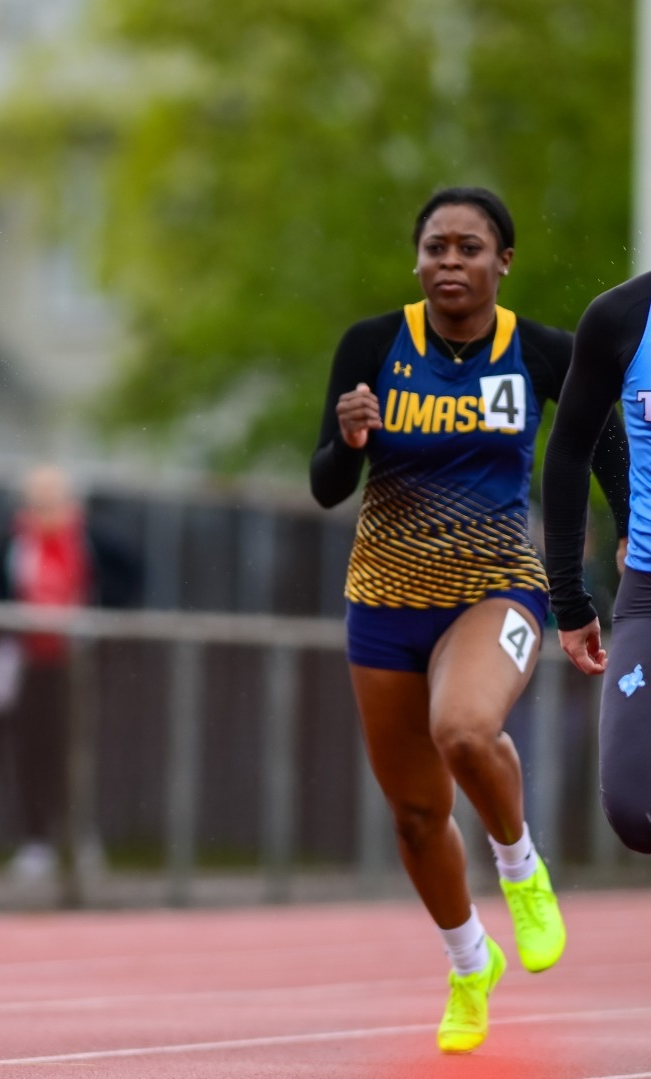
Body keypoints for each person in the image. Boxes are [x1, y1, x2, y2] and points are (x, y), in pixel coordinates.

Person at [311, 188, 625, 1055]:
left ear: (502, 262)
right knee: (415, 814)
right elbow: (328, 483)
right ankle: (467, 962)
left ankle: (521, 867)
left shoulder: (540, 351)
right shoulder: (375, 347)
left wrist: (615, 558)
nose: (451, 262)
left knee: (463, 727)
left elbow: (600, 448)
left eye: (470, 248)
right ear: (417, 259)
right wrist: (348, 440)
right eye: (436, 247)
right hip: (383, 600)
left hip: (498, 586)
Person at [540, 269, 651, 859]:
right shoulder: (621, 317)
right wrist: (568, 595)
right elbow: (569, 448)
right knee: (637, 811)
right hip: (648, 591)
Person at [0, 464, 91, 884]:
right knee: (30, 751)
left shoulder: (91, 540)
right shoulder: (13, 543)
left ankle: (78, 838)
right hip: (25, 660)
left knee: (74, 752)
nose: (44, 510)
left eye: (52, 500)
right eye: (36, 501)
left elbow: (125, 580)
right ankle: (35, 839)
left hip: (75, 663)